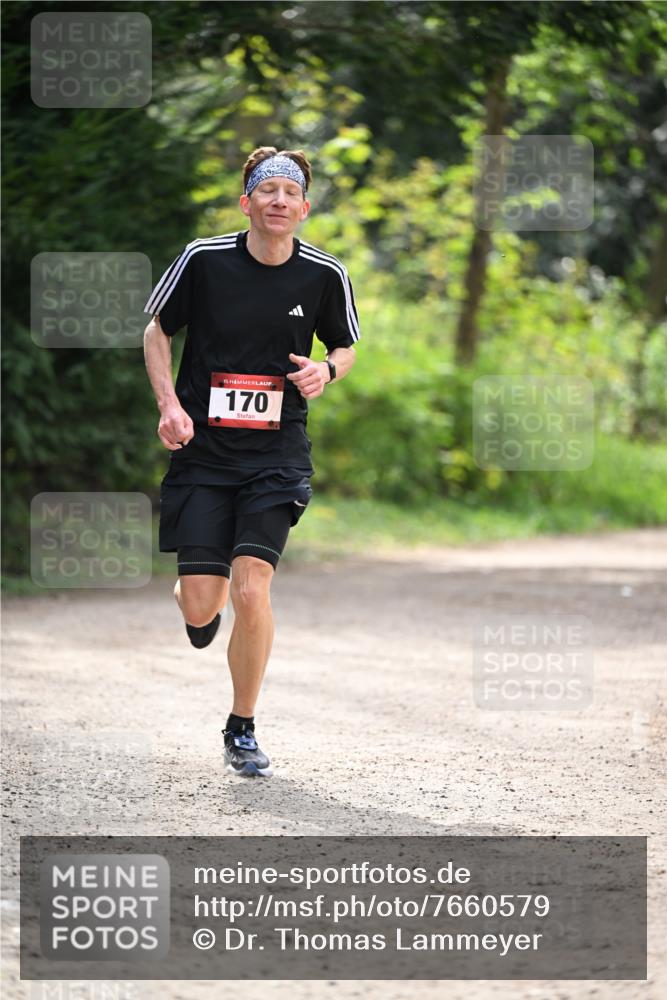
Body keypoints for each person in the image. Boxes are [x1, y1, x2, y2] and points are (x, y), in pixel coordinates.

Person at [142, 146, 360, 777]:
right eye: (268, 193)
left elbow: (345, 345)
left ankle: (242, 726)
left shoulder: (325, 275)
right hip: (204, 451)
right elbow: (157, 329)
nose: (279, 203)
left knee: (251, 587)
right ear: (248, 203)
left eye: (290, 195)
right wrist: (167, 406)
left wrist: (326, 370)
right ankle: (197, 612)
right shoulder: (202, 260)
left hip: (277, 454)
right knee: (202, 604)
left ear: (304, 208)